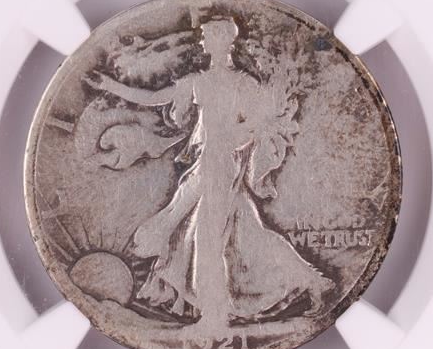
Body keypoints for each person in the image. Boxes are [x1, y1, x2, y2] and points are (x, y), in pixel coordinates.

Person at [87, 17, 333, 330]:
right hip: (209, 162)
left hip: (223, 164)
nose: (202, 42)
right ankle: (316, 283)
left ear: (221, 41)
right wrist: (110, 86)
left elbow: (257, 124)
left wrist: (232, 140)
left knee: (207, 238)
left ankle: (214, 315)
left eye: (206, 37)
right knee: (248, 232)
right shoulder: (200, 81)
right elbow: (154, 98)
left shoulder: (243, 83)